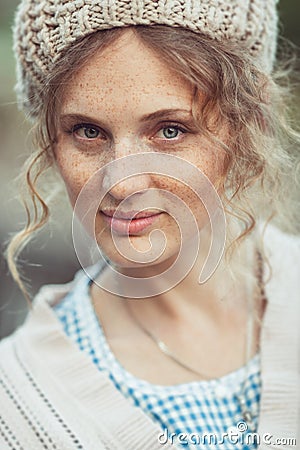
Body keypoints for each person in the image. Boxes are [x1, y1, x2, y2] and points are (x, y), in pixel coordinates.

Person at [0, 0, 299, 449]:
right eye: (88, 131)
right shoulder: (19, 401)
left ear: (245, 125)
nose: (122, 184)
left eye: (169, 131)